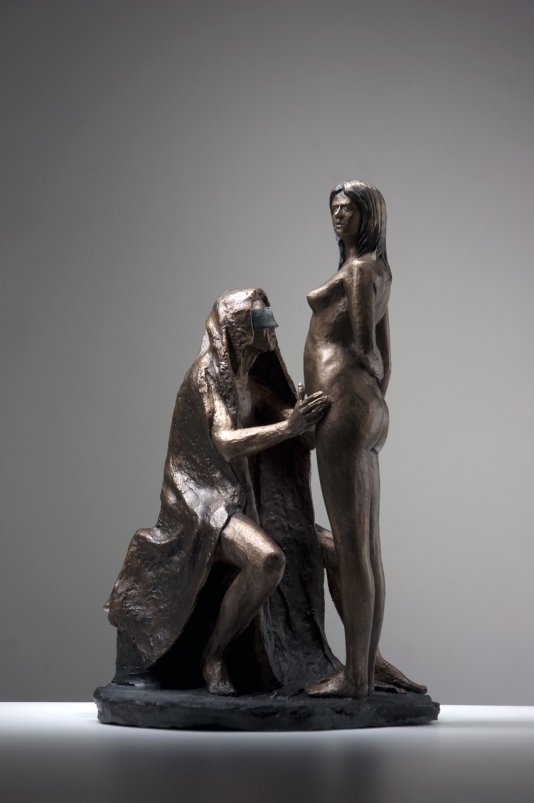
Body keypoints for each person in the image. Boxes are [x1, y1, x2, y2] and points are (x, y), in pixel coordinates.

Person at [106, 288, 338, 695]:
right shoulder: (206, 376)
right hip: (201, 501)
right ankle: (213, 655)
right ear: (237, 329)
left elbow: (302, 438)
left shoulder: (252, 381)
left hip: (240, 498)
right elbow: (226, 442)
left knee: (334, 548)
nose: (271, 327)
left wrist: (311, 414)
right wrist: (289, 427)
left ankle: (362, 663)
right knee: (267, 560)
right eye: (260, 321)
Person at [304, 181, 426, 698]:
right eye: (333, 209)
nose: (338, 216)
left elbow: (365, 346)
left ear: (368, 215)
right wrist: (372, 398)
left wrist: (343, 391)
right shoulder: (381, 270)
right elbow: (386, 357)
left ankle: (355, 677)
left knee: (352, 546)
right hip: (367, 409)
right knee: (367, 547)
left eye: (347, 210)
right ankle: (365, 674)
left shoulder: (358, 270)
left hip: (343, 408)